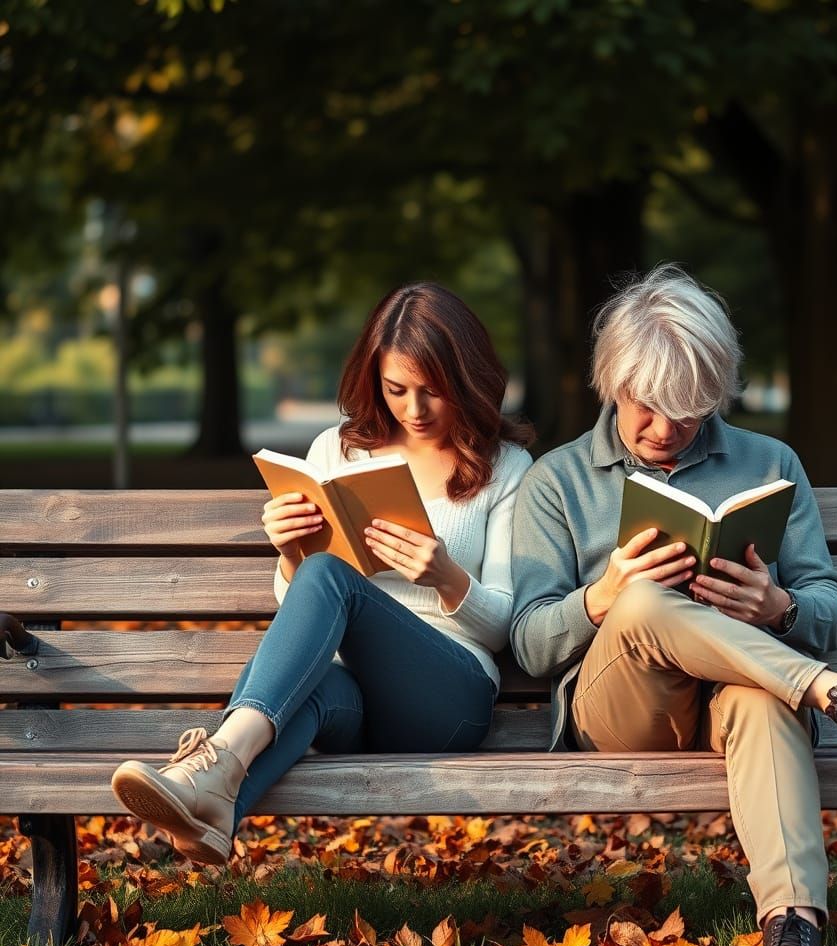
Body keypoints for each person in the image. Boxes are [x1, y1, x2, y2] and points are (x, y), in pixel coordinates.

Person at [509, 265, 837, 946]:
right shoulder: (558, 480)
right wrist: (604, 594)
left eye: (689, 408)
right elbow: (527, 640)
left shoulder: (769, 463)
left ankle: (794, 934)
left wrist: (778, 608)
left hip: (736, 702)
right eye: (646, 405)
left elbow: (828, 604)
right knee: (643, 602)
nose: (665, 429)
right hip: (622, 709)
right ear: (611, 381)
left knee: (763, 698)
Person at [111, 283, 533, 865]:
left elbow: (511, 626)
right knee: (307, 688)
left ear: (468, 379)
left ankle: (211, 758)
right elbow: (299, 603)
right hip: (354, 697)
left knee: (330, 576)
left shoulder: (508, 468)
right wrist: (289, 552)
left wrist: (445, 576)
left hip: (447, 696)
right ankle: (213, 812)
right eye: (396, 390)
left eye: (434, 391)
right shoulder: (336, 450)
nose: (414, 410)